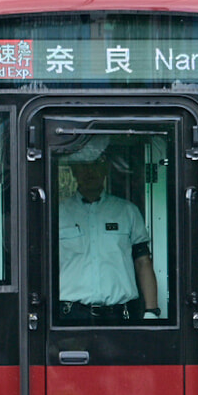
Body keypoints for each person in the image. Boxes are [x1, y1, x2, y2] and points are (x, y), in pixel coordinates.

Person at [57, 135, 159, 322]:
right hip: (71, 316)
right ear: (73, 170)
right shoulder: (57, 214)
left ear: (105, 168)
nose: (90, 171)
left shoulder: (127, 211)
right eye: (83, 165)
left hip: (120, 315)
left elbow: (143, 262)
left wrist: (152, 310)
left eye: (96, 164)